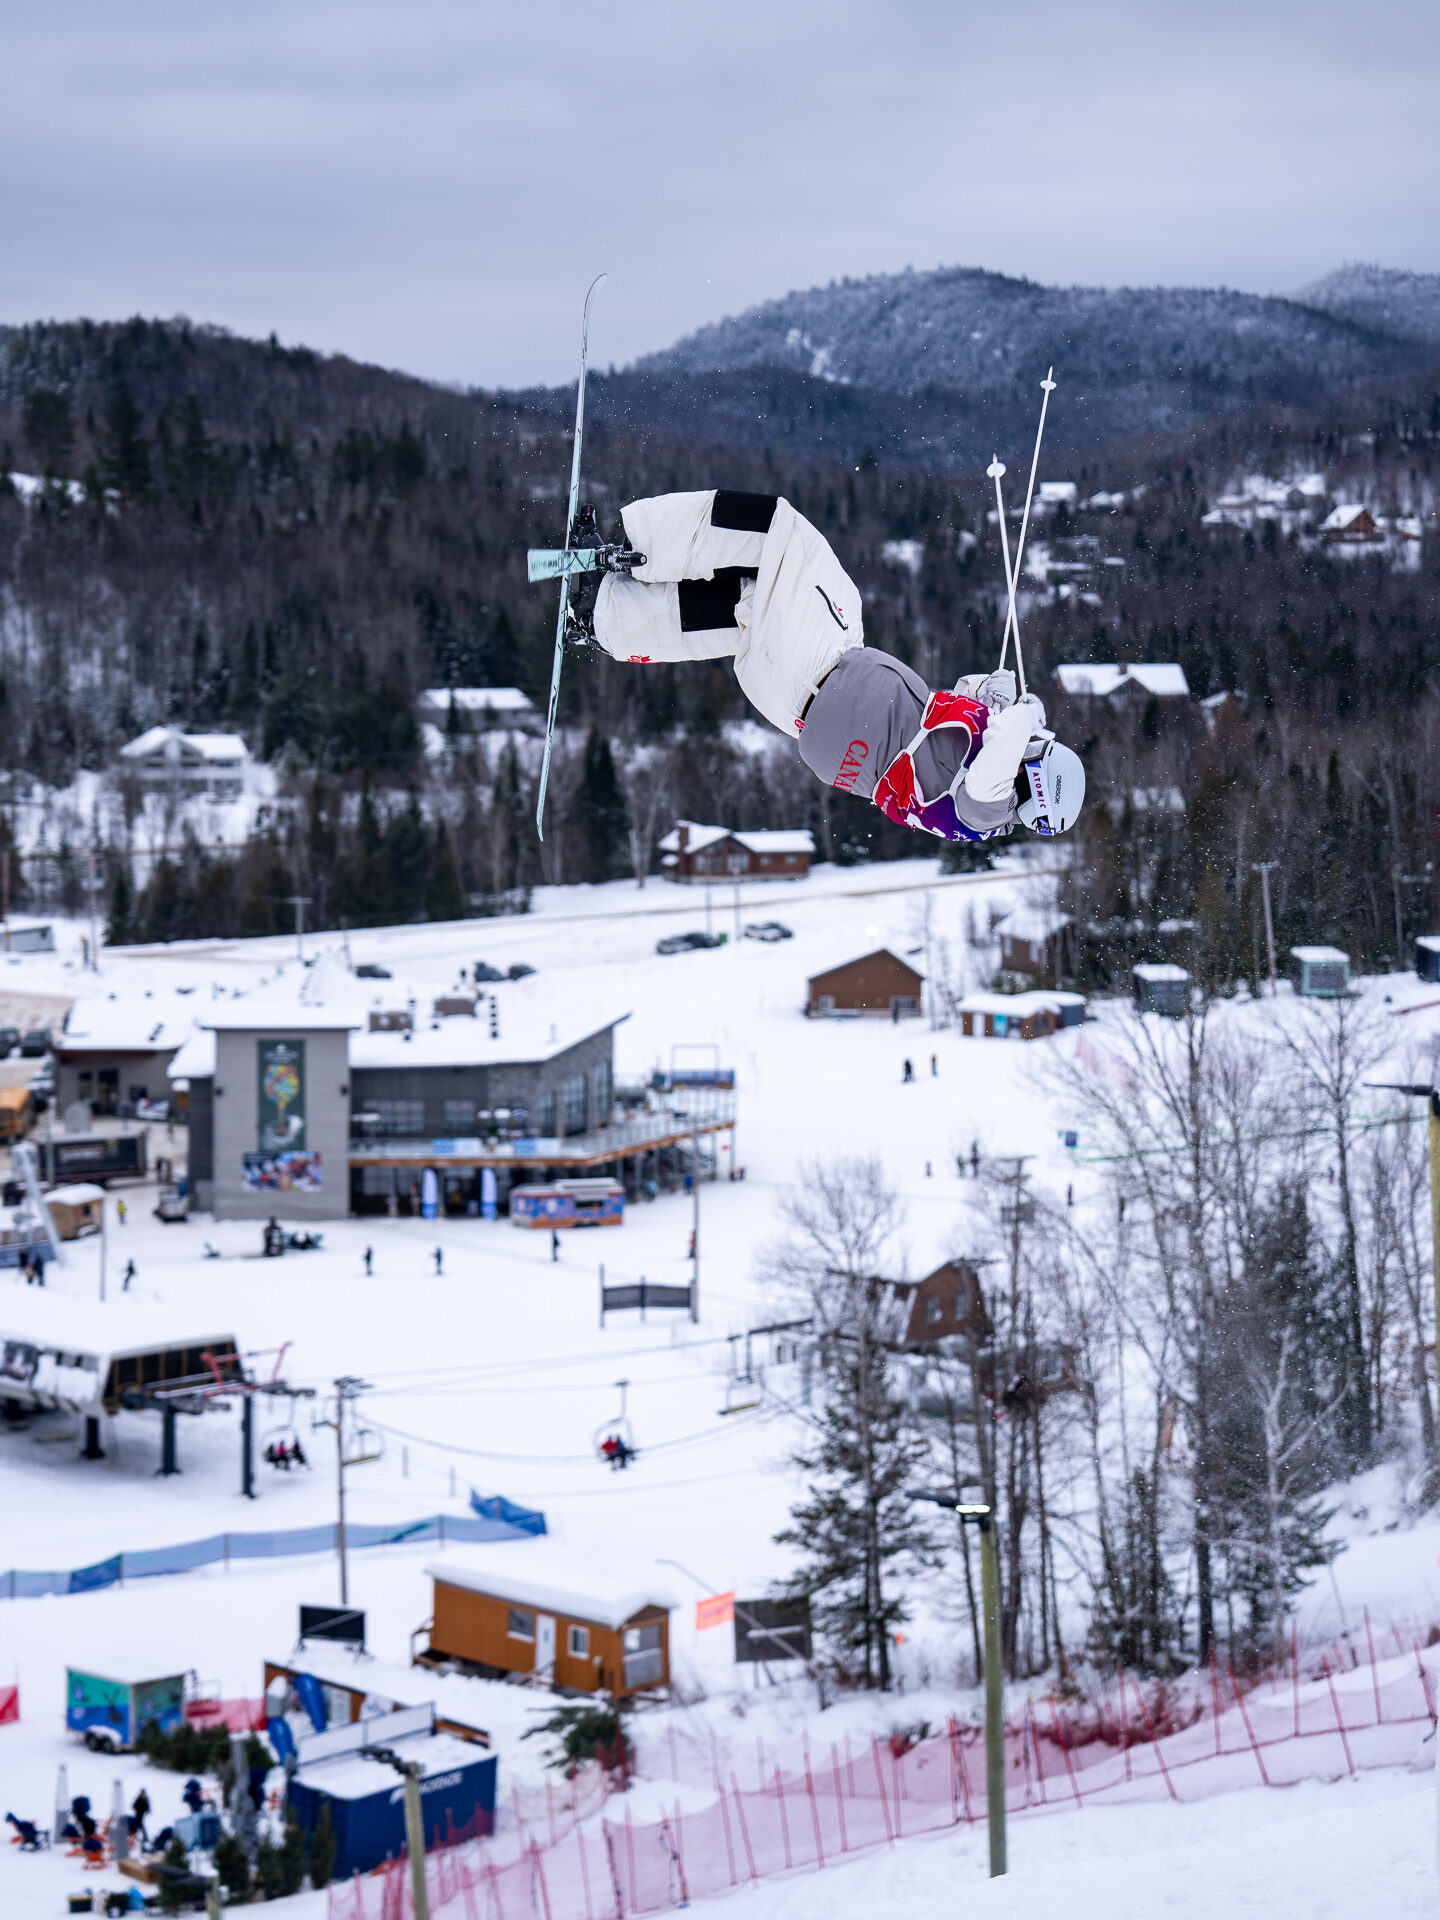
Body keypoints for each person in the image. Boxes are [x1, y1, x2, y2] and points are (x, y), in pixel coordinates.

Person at [574, 490, 1078, 846]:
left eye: (1040, 747)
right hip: (809, 691)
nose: (1035, 739)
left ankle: (640, 541)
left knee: (781, 529)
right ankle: (604, 617)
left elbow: (1003, 745)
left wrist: (1021, 717)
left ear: (1034, 777)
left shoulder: (987, 806)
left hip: (823, 677)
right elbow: (954, 718)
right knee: (750, 599)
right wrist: (989, 699)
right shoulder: (975, 782)